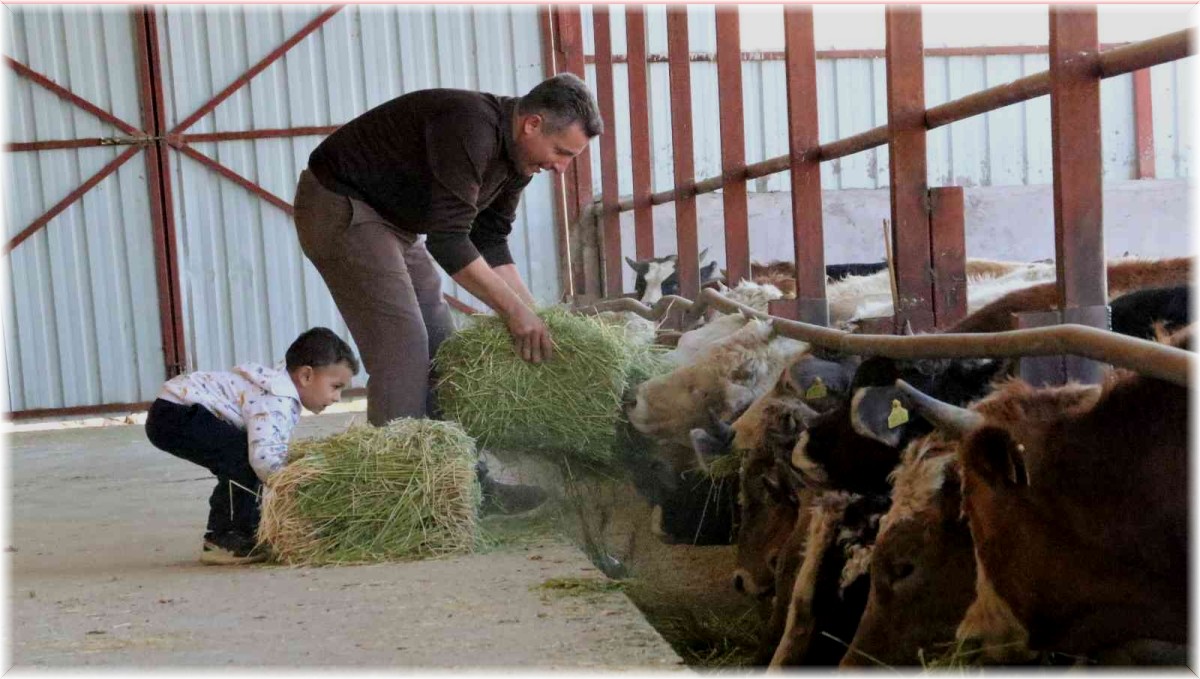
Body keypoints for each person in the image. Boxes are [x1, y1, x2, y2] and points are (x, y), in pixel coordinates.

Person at [291, 73, 604, 514]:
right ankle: (398, 499)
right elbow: (450, 242)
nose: (561, 167)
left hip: (396, 224)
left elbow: (490, 238)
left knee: (445, 351)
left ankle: (462, 485)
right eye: (561, 152)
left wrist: (536, 315)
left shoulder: (520, 161)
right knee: (404, 348)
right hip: (343, 205)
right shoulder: (470, 125)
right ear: (532, 124)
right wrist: (514, 314)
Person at [145, 327, 359, 565]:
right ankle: (224, 538)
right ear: (306, 376)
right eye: (336, 386)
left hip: (172, 411)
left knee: (241, 457)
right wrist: (293, 484)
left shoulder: (276, 391)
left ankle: (245, 531)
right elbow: (265, 458)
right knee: (243, 460)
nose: (337, 397)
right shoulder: (276, 398)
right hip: (176, 414)